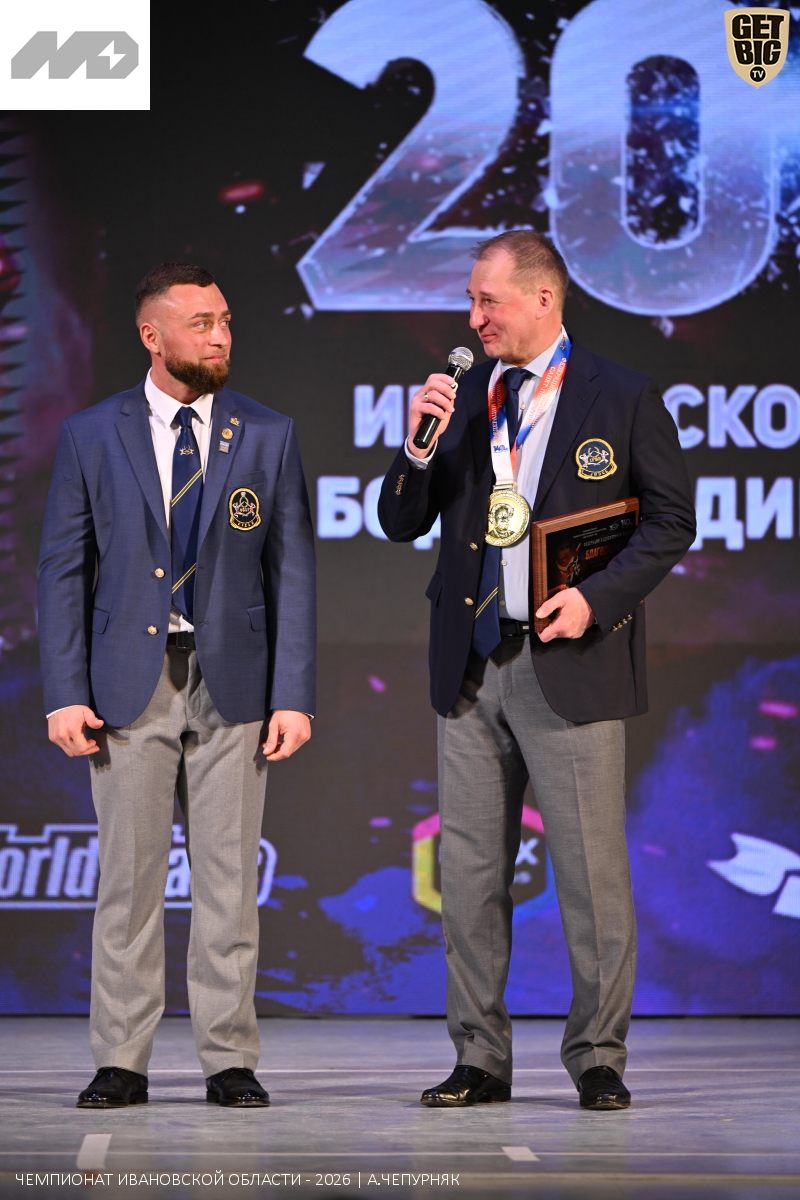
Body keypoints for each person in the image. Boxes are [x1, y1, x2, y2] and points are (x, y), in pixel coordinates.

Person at [378, 231, 695, 1111]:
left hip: (570, 660)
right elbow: (399, 522)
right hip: (472, 664)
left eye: (489, 301)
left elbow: (671, 521)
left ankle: (597, 1057)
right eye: (471, 302)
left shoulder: (621, 396)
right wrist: (417, 446)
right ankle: (479, 1057)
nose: (473, 319)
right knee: (470, 876)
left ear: (544, 298)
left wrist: (596, 599)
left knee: (591, 877)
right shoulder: (462, 399)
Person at [38, 263, 316, 1109]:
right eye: (201, 324)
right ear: (151, 336)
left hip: (235, 684)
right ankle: (122, 1060)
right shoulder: (93, 434)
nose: (221, 336)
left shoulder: (267, 433)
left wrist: (294, 693)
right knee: (129, 880)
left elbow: (293, 573)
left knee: (228, 881)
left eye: (225, 320)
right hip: (129, 684)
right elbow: (63, 571)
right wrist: (63, 691)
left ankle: (229, 1059)